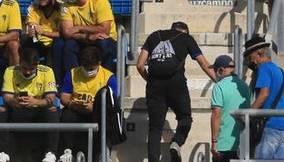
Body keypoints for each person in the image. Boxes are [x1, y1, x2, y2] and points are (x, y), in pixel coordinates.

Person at [137, 22, 217, 162]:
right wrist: (220, 82)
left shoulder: (154, 36)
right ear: (185, 31)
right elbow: (204, 64)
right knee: (185, 117)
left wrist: (150, 80)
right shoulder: (186, 38)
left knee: (155, 129)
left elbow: (139, 65)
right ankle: (176, 142)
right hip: (177, 84)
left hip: (154, 86)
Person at [0, 43, 60, 162]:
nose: (28, 72)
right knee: (1, 108)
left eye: (31, 69)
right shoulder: (10, 71)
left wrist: (35, 101)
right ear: (20, 63)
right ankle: (3, 153)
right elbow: (7, 97)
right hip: (18, 110)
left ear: (37, 65)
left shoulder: (47, 71)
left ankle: (51, 153)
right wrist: (15, 101)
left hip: (38, 111)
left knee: (52, 108)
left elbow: (51, 98)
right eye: (24, 68)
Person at [59, 44, 119, 159]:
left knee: (106, 118)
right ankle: (67, 152)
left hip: (97, 112)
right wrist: (73, 105)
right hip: (76, 109)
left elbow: (111, 100)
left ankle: (103, 154)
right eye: (85, 68)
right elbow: (64, 97)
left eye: (91, 69)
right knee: (66, 115)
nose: (87, 71)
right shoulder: (73, 73)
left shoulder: (108, 77)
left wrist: (95, 107)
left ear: (99, 63)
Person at [244, 34, 284, 160]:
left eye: (250, 56)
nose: (250, 61)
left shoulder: (264, 68)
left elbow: (264, 93)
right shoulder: (281, 72)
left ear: (259, 54)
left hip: (271, 127)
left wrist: (248, 112)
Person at [60, 0, 117, 70]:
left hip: (104, 39)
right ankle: (72, 77)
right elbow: (67, 32)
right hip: (83, 40)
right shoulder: (66, 5)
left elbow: (105, 30)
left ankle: (106, 77)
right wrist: (88, 37)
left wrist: (79, 28)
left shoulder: (99, 1)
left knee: (104, 44)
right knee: (69, 45)